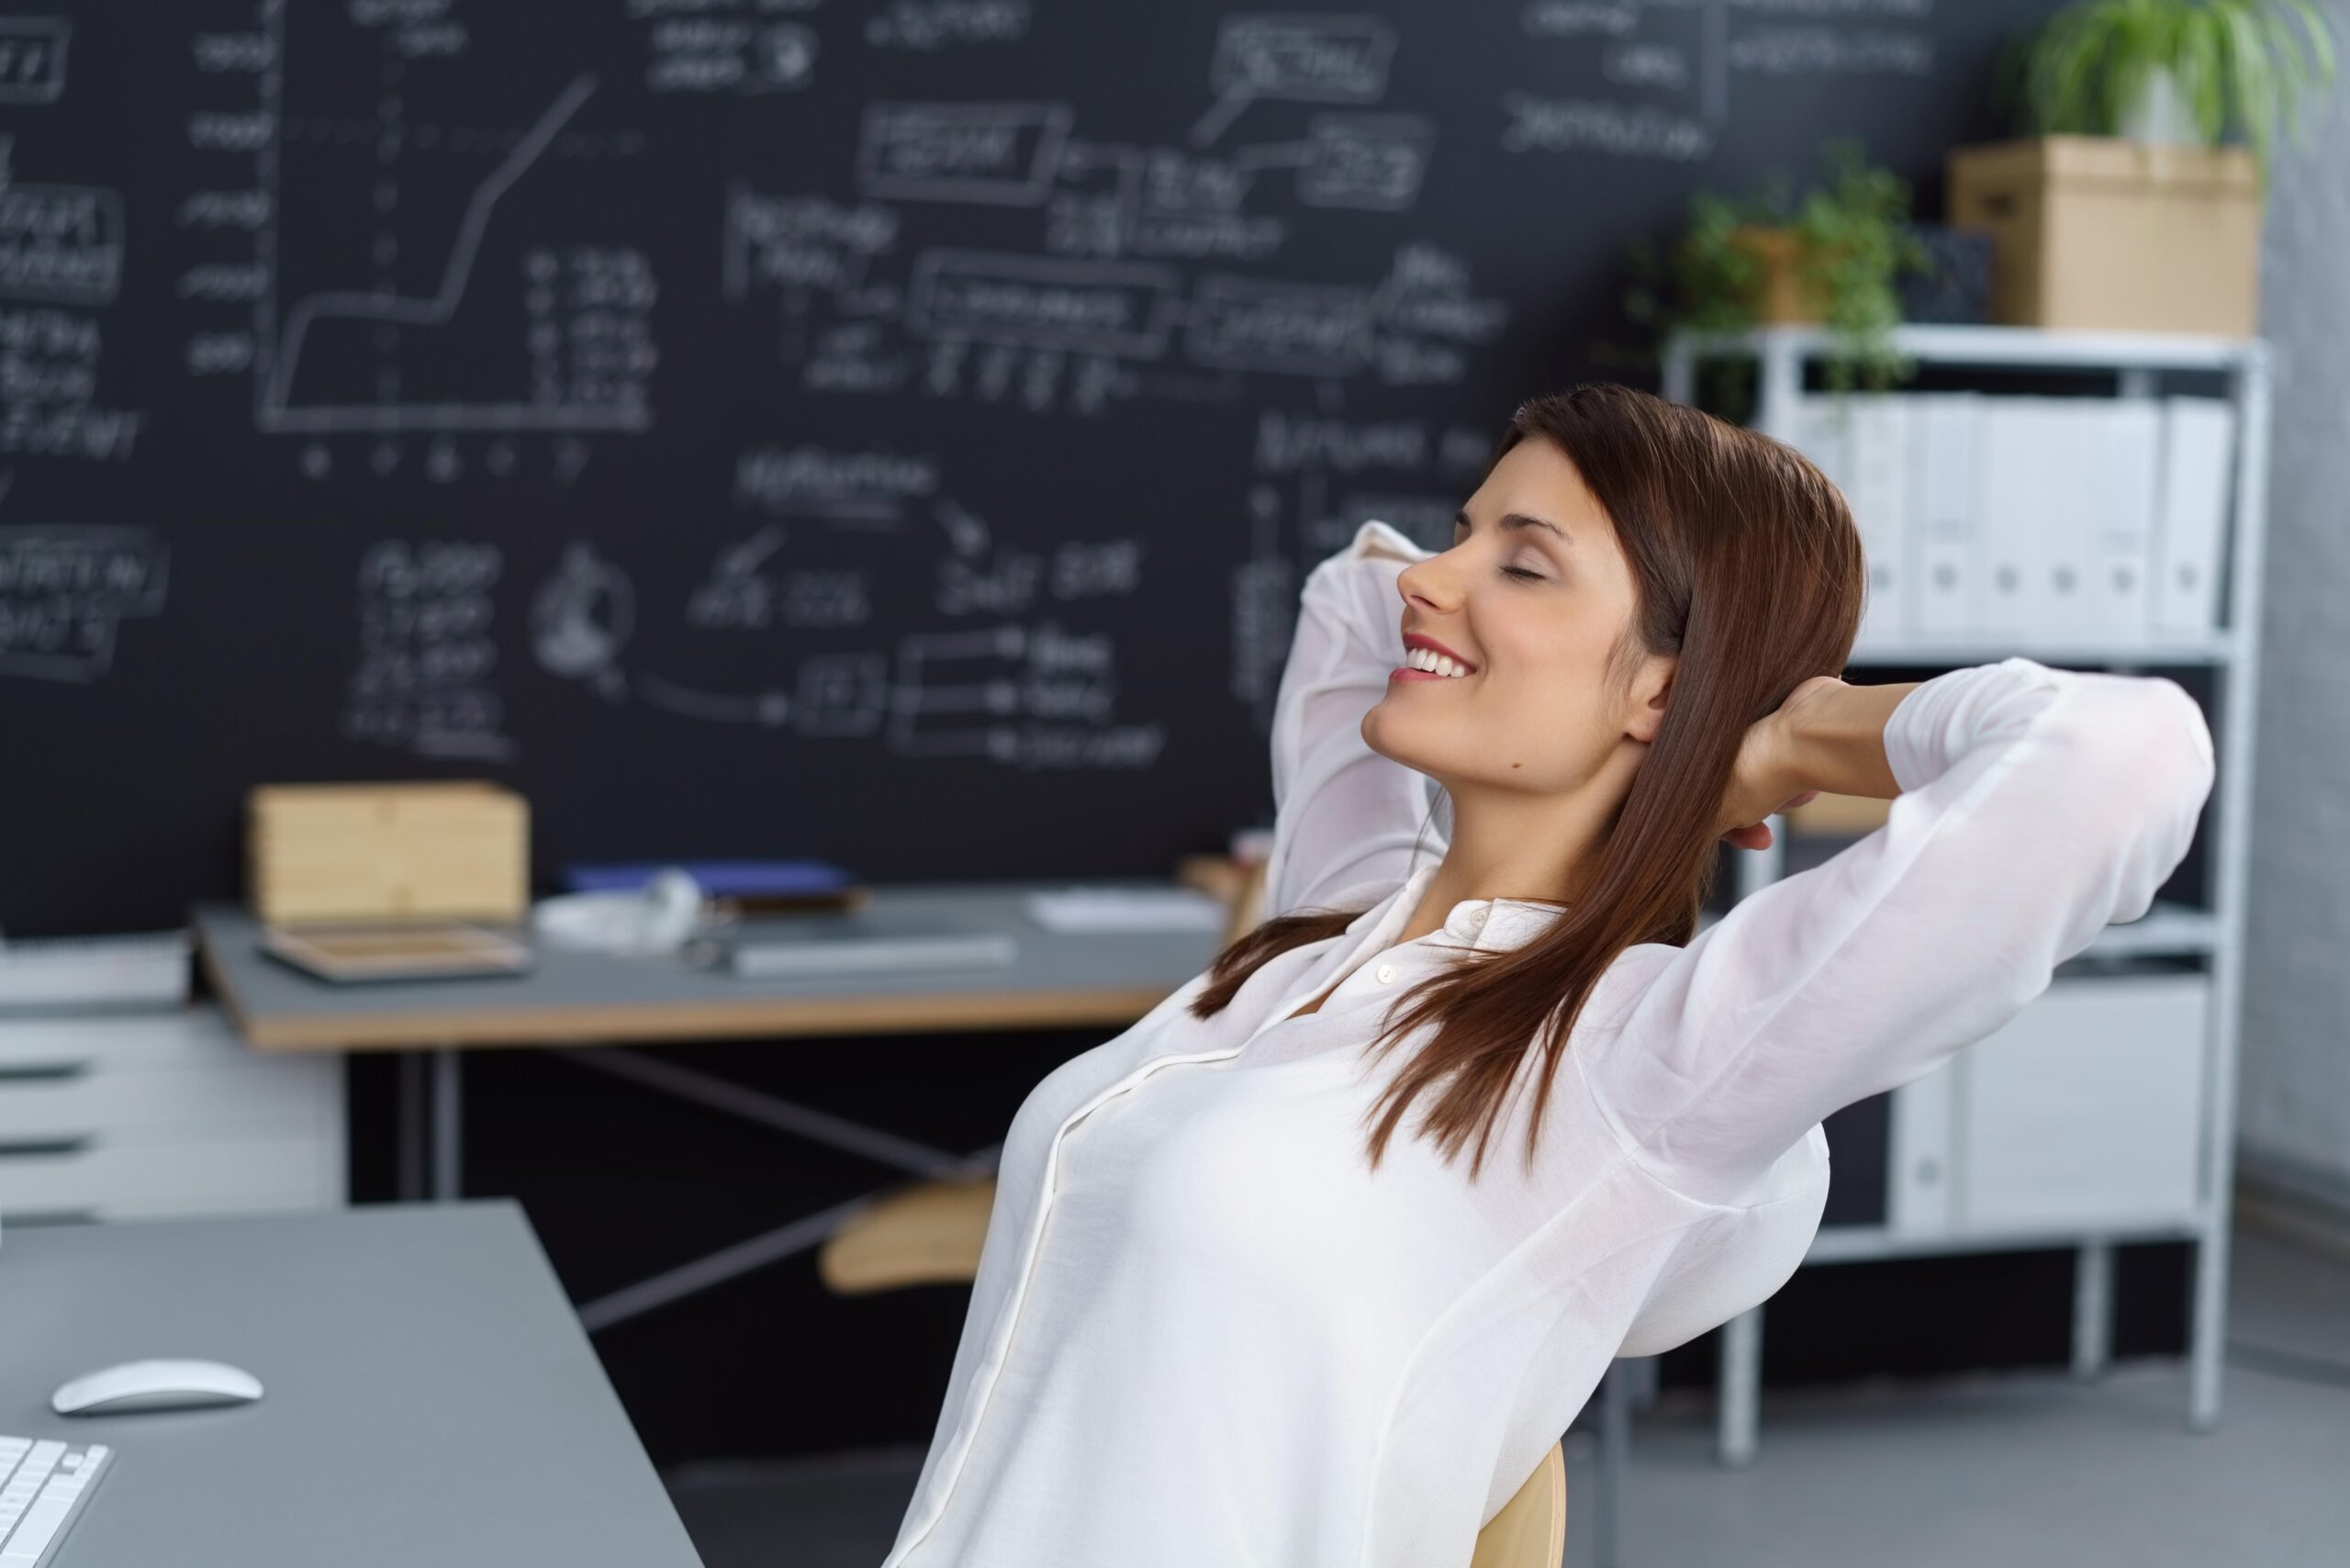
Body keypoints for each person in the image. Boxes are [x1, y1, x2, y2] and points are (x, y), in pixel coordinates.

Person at [879, 382, 2215, 1568]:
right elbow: (1355, 591)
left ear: (1663, 687)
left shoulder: (1630, 1062)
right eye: (1465, 532)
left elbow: (2123, 762)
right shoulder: (1340, 917)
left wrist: (1792, 732)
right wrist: (1652, 707)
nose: (1434, 578)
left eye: (1523, 566)